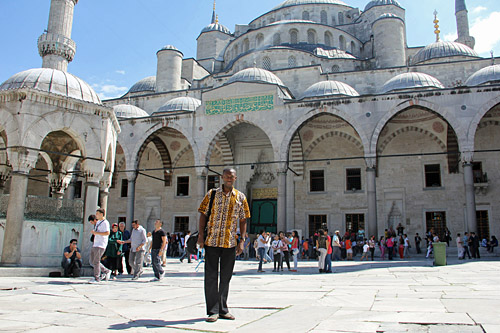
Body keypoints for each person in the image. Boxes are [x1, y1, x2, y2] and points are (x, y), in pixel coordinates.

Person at [197, 168, 250, 323]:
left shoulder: (240, 197)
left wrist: (242, 240)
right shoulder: (212, 194)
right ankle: (212, 311)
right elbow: (203, 214)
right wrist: (201, 236)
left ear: (235, 178)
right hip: (212, 241)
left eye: (231, 176)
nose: (229, 178)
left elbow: (243, 220)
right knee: (211, 276)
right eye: (226, 176)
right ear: (222, 178)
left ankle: (223, 309)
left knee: (226, 277)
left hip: (230, 242)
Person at [89, 209, 111, 283]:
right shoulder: (98, 222)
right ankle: (106, 271)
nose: (96, 215)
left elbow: (107, 233)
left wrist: (96, 233)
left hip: (101, 244)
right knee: (92, 261)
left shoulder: (105, 223)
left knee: (96, 261)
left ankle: (96, 277)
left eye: (97, 213)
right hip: (95, 243)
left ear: (102, 214)